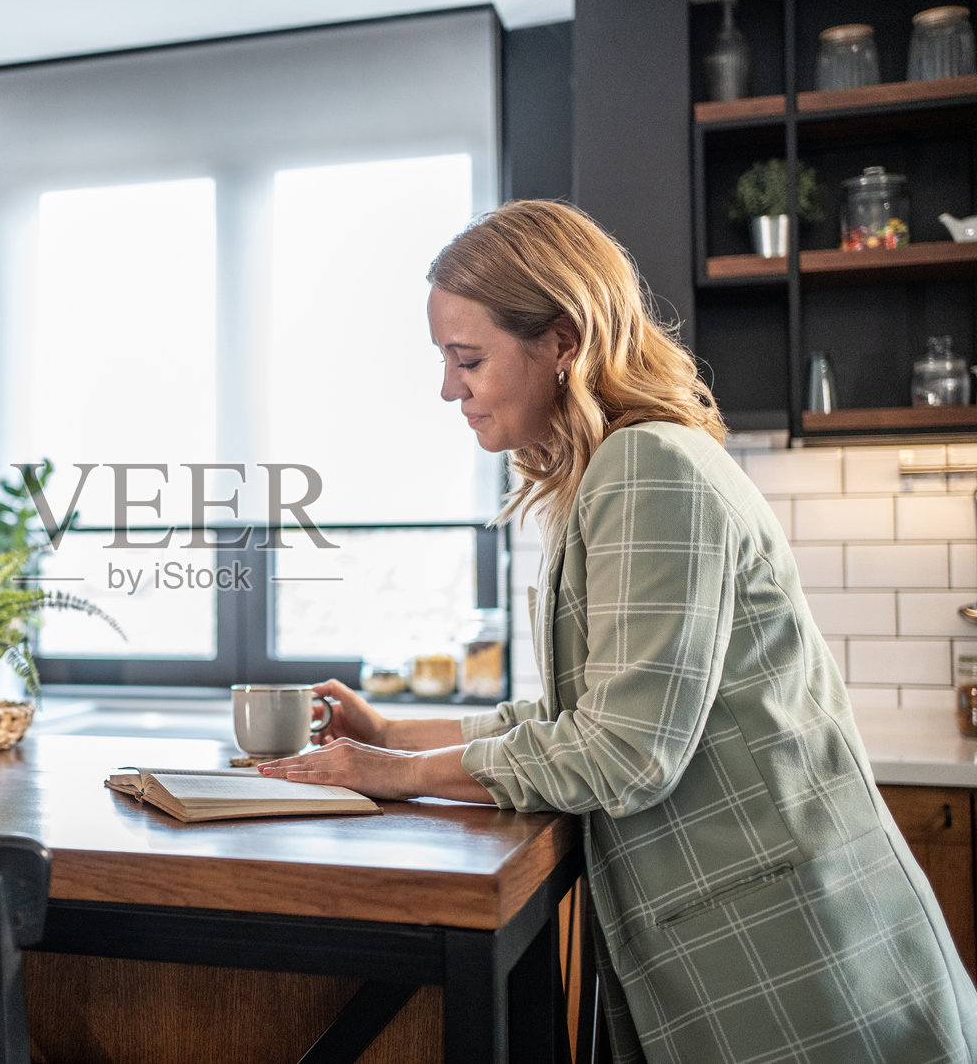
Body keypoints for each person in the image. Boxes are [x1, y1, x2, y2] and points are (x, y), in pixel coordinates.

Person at [257, 200, 977, 1063]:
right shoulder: (616, 470)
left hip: (797, 958)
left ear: (562, 340)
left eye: (468, 357)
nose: (449, 387)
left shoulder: (648, 467)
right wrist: (392, 730)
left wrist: (402, 773)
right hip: (754, 940)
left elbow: (627, 749)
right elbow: (589, 714)